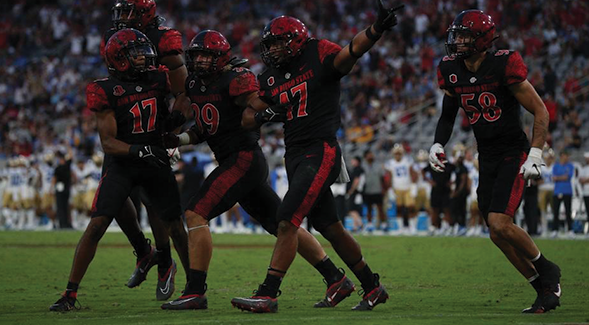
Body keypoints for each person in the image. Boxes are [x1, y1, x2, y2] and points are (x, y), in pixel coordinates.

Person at [160, 30, 353, 310]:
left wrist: (266, 105)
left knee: (195, 212)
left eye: (207, 56)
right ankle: (335, 278)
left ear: (221, 59)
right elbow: (204, 130)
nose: (200, 61)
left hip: (244, 158)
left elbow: (260, 107)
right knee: (281, 225)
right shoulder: (194, 84)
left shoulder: (236, 80)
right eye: (197, 55)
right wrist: (179, 139)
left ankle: (195, 290)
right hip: (234, 160)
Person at [231, 1, 403, 312]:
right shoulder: (271, 75)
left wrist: (375, 30)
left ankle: (268, 293)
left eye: (278, 43)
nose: (273, 50)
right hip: (294, 152)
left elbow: (350, 53)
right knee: (331, 227)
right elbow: (247, 117)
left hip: (320, 148)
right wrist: (265, 114)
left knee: (287, 220)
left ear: (295, 40)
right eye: (269, 45)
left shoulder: (317, 52)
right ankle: (371, 286)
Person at [429, 10, 561, 313]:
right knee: (495, 232)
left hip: (512, 152)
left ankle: (548, 269)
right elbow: (448, 114)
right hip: (486, 155)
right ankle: (540, 287)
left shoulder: (503, 63)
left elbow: (540, 111)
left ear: (483, 39)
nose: (457, 41)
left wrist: (535, 154)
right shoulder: (451, 68)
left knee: (500, 222)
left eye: (464, 36)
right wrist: (437, 142)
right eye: (457, 35)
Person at [49, 29, 187, 312]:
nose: (143, 58)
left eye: (143, 52)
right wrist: (139, 150)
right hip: (124, 164)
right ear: (119, 59)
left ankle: (194, 287)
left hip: (155, 161)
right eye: (136, 54)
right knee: (97, 223)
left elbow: (186, 92)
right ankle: (70, 294)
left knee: (174, 224)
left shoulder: (158, 78)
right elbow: (108, 143)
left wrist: (176, 121)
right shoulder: (105, 89)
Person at [99, 0, 190, 297]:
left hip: (155, 124)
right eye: (121, 12)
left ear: (146, 13)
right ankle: (143, 250)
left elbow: (182, 92)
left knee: (155, 203)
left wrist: (171, 131)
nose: (124, 18)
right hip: (126, 126)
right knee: (112, 197)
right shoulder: (114, 39)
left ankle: (165, 261)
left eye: (130, 12)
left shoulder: (165, 38)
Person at [385, 144, 417, 234]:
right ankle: (401, 227)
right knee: (399, 208)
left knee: (410, 207)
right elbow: (389, 177)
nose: (397, 155)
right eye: (396, 154)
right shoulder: (390, 163)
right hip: (397, 188)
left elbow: (413, 173)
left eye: (399, 154)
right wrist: (390, 189)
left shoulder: (407, 161)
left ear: (402, 153)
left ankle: (412, 227)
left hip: (407, 187)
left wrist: (414, 185)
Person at [362, 150, 387, 232]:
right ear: (365, 157)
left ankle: (383, 224)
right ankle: (369, 224)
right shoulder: (363, 166)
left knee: (380, 208)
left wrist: (383, 188)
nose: (371, 156)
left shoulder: (378, 166)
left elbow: (382, 178)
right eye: (369, 155)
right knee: (369, 208)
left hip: (377, 190)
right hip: (367, 190)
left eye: (371, 155)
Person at [551, 151, 574, 236]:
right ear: (561, 156)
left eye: (567, 156)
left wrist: (558, 177)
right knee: (556, 212)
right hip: (557, 191)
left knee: (568, 211)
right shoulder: (556, 166)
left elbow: (567, 177)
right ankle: (555, 230)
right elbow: (554, 178)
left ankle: (570, 230)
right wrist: (562, 177)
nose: (567, 157)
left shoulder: (570, 166)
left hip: (567, 191)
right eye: (565, 155)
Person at [52, 151, 74, 229]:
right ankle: (65, 224)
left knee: (62, 206)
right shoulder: (66, 166)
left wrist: (52, 188)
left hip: (61, 188)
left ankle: (63, 224)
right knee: (64, 206)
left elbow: (54, 179)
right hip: (65, 188)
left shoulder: (58, 167)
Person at [580, 152, 589, 223]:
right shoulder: (584, 168)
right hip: (586, 192)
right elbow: (580, 180)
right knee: (588, 211)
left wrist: (585, 180)